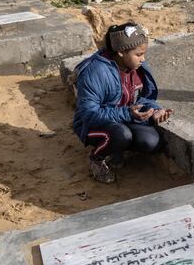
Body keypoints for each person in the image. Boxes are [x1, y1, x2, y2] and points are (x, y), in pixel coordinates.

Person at [73, 23, 172, 183]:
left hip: (124, 118)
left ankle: (116, 149)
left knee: (151, 142)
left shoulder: (135, 65)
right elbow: (88, 113)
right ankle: (96, 158)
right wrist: (126, 113)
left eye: (144, 53)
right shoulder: (95, 72)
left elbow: (143, 97)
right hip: (93, 124)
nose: (143, 59)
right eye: (139, 54)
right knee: (121, 135)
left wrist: (155, 109)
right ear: (120, 52)